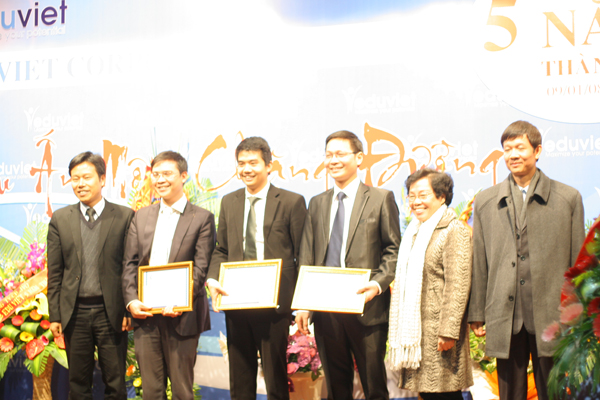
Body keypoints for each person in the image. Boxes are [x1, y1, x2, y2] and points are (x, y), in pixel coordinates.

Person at [468, 121, 585, 400]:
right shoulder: (486, 201)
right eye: (507, 149)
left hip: (552, 312)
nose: (513, 155)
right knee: (510, 393)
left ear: (537, 151)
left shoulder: (568, 198)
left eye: (520, 147)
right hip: (504, 312)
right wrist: (477, 312)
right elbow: (480, 262)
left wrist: (577, 311)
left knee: (554, 391)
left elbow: (578, 263)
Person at [296, 130, 401, 400]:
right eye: (329, 155)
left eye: (340, 154)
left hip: (367, 307)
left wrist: (377, 285)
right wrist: (304, 303)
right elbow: (307, 255)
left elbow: (393, 250)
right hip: (326, 309)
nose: (334, 160)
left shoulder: (380, 198)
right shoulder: (317, 203)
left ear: (359, 158)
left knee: (374, 387)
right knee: (336, 388)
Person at [207, 137, 307, 400]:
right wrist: (213, 279)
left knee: (276, 380)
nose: (246, 169)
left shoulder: (291, 201)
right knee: (240, 379)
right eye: (241, 164)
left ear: (268, 165)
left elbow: (302, 254)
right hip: (236, 302)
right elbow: (221, 249)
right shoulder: (229, 202)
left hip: (274, 305)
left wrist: (301, 303)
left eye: (253, 163)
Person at [122, 151, 216, 400]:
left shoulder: (202, 218)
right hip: (145, 316)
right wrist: (131, 301)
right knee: (151, 392)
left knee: (182, 390)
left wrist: (179, 300)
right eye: (155, 174)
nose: (160, 179)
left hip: (182, 317)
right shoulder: (141, 216)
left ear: (183, 176)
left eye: (167, 174)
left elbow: (201, 268)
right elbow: (130, 263)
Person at [47, 152, 134, 400]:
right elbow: (55, 271)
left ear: (102, 179)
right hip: (75, 314)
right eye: (75, 179)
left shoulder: (124, 216)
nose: (80, 184)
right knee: (78, 384)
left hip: (112, 313)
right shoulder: (60, 219)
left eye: (86, 177)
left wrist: (128, 309)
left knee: (115, 384)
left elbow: (130, 267)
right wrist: (55, 315)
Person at [388, 168, 473, 400]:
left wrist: (448, 331)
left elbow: (458, 284)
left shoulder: (454, 229)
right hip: (419, 332)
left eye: (423, 195)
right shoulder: (415, 231)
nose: (416, 202)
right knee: (428, 394)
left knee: (446, 395)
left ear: (441, 196)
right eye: (412, 196)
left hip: (440, 334)